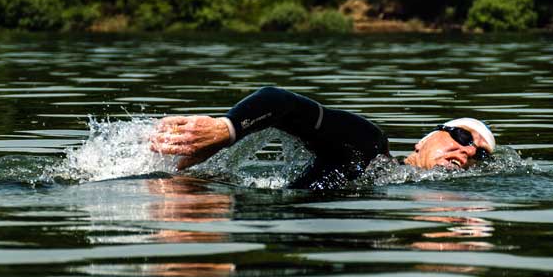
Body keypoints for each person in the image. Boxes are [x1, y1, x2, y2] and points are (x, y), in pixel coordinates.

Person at [149, 86, 496, 189]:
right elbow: (279, 101)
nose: (467, 150)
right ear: (423, 141)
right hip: (188, 203)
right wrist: (225, 130)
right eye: (463, 135)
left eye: (479, 154)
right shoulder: (368, 146)